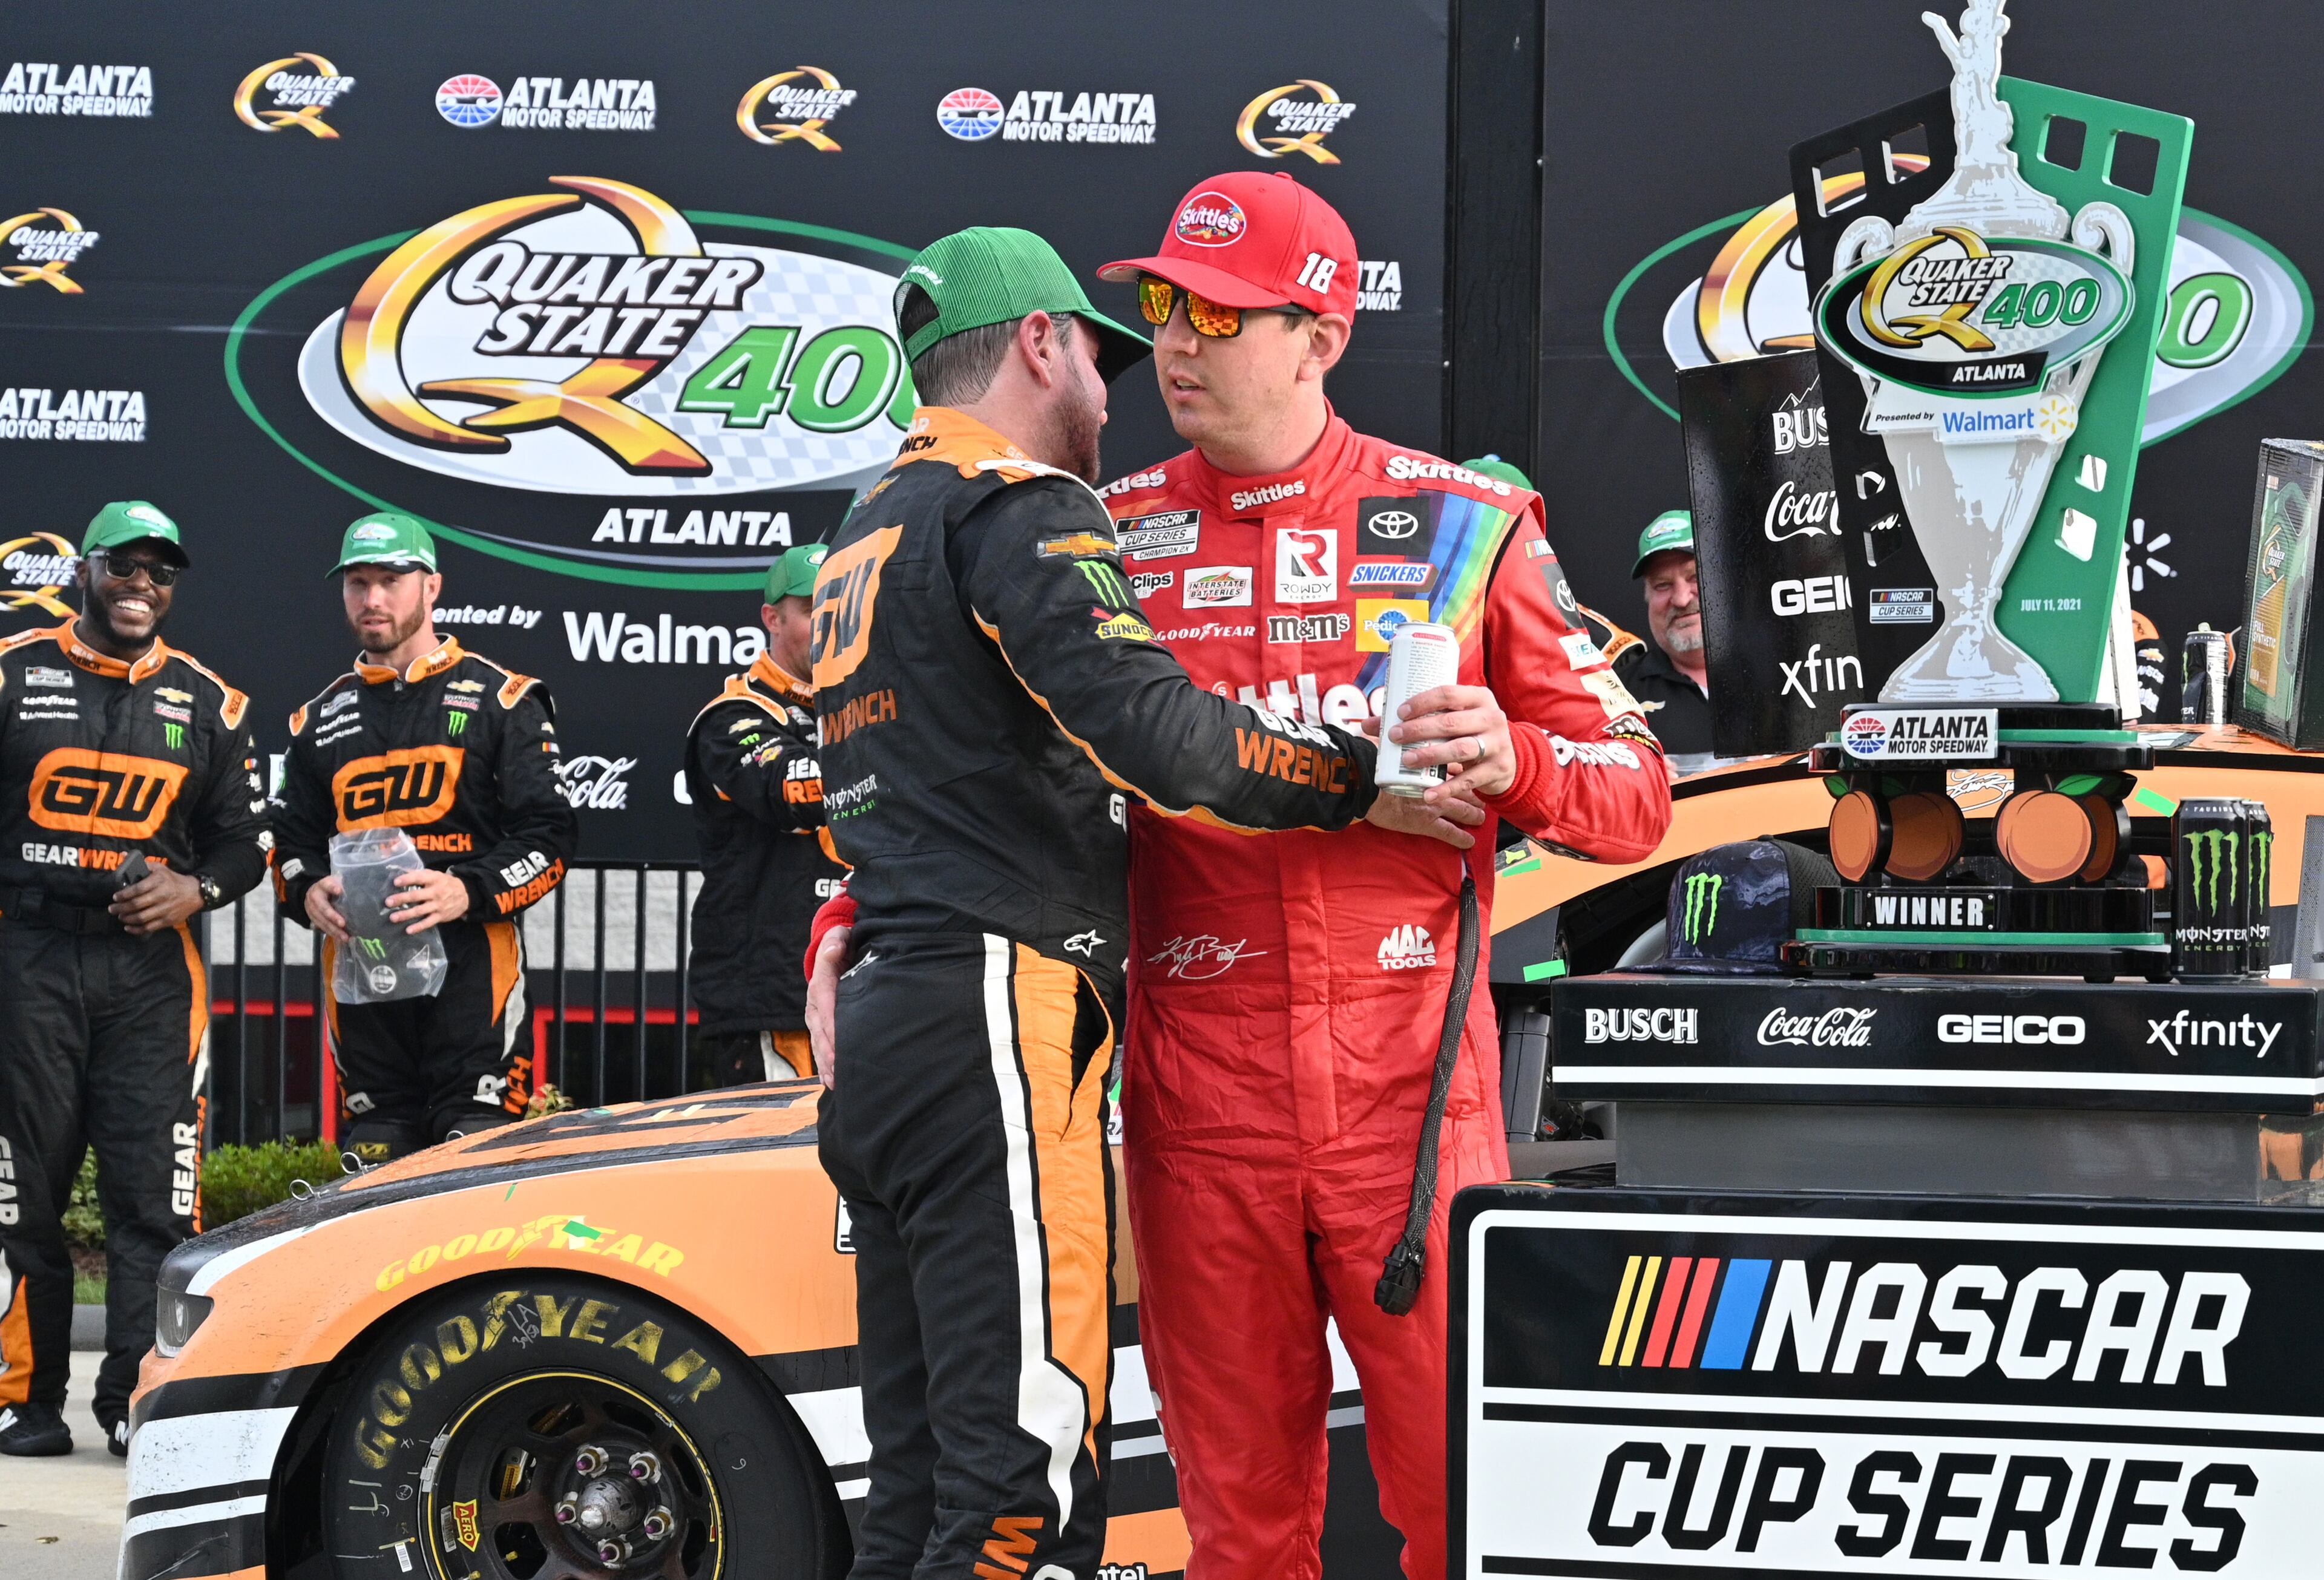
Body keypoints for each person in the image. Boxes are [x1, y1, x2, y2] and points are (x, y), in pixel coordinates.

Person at [807, 226, 1418, 1580]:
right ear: (1040, 342)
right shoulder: (1014, 504)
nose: (1112, 393)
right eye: (1100, 356)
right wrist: (1357, 778)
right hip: (993, 1010)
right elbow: (1159, 735)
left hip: (893, 1025)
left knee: (912, 1490)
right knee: (1022, 1483)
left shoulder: (863, 530)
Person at [1089, 171, 1674, 1580]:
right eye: (1164, 304)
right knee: (1236, 1530)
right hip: (1194, 1105)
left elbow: (1638, 801)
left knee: (1459, 1510)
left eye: (1219, 314)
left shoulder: (1468, 524)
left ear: (1320, 337)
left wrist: (1513, 759)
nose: (1175, 340)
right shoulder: (1095, 539)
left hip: (1412, 1107)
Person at [0, 501, 268, 1458]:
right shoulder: (14, 666)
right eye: (125, 567)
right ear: (88, 569)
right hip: (27, 959)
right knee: (17, 1191)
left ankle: (136, 1402)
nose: (142, 586)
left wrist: (194, 889)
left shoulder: (211, 701)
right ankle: (23, 1399)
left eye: (160, 573)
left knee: (153, 1199)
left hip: (153, 977)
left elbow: (251, 841)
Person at [274, 514, 577, 1165]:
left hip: (471, 974)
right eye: (358, 582)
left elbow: (551, 840)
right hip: (363, 980)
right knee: (376, 1163)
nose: (373, 599)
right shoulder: (318, 718)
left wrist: (464, 889)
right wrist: (307, 890)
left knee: (473, 1159)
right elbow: (288, 842)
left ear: (432, 587)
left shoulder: (504, 699)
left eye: (390, 580)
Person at [682, 542, 844, 1086]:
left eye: (838, 605)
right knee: (786, 1161)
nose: (829, 623)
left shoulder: (863, 706)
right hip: (772, 996)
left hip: (861, 981)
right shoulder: (732, 716)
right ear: (772, 618)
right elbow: (793, 792)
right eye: (812, 609)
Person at [1622, 509, 1715, 755]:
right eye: (1663, 585)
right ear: (1647, 597)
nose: (1682, 599)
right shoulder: (1618, 697)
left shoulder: (1786, 672)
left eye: (1695, 577)